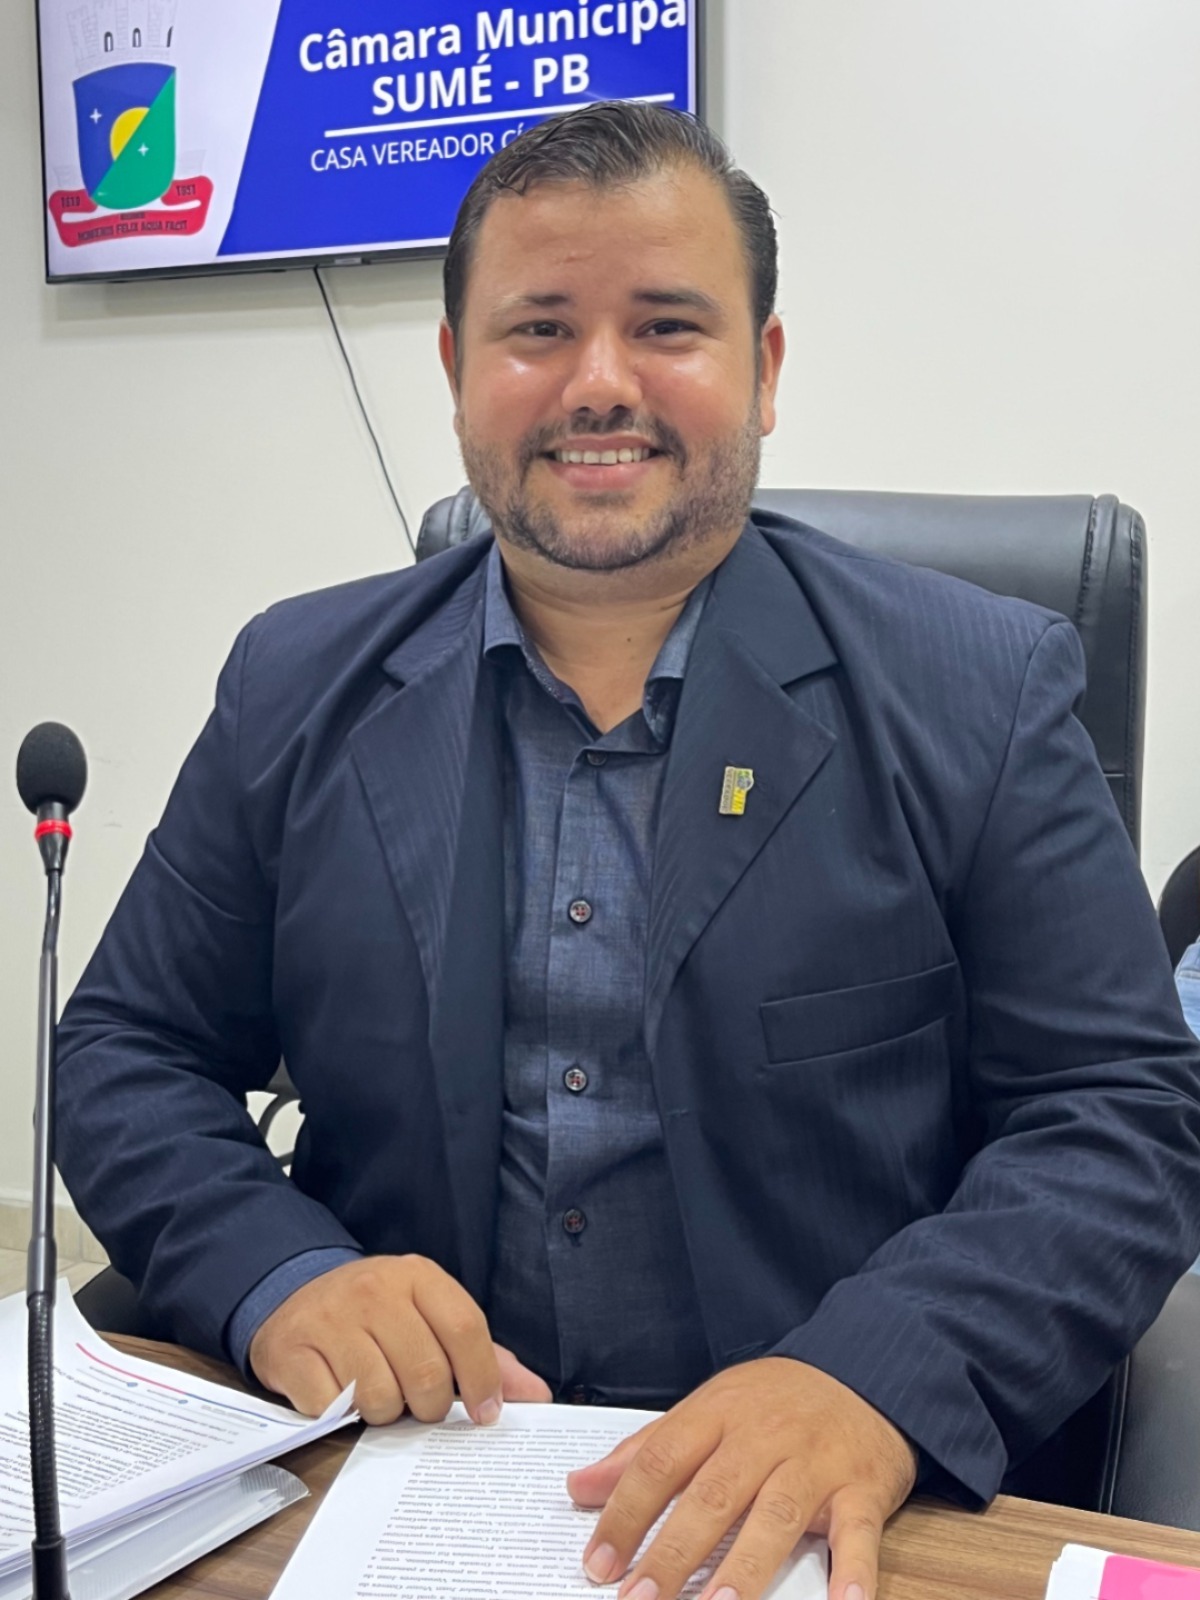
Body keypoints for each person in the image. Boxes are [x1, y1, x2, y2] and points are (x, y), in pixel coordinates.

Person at [56, 103, 1200, 1600]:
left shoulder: (979, 689)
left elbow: (1119, 1114)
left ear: (764, 369)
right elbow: (128, 1051)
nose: (600, 383)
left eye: (667, 325)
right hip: (406, 1479)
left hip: (832, 1504)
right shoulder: (295, 681)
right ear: (456, 372)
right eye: (539, 329)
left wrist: (876, 1371)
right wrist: (283, 1275)